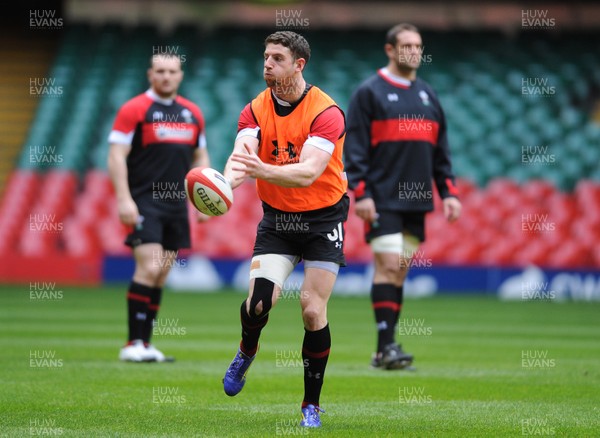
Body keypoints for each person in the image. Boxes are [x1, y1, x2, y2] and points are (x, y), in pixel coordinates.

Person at [221, 31, 348, 428]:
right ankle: (246, 351)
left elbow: (309, 172)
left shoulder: (326, 112)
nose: (267, 64)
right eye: (265, 56)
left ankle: (310, 404)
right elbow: (241, 159)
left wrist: (260, 169)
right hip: (278, 219)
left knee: (312, 310)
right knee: (258, 304)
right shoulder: (254, 109)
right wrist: (222, 187)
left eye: (277, 57)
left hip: (323, 219)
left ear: (299, 65)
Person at [344, 23, 461, 370]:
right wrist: (361, 193)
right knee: (389, 265)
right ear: (390, 50)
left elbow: (441, 150)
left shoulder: (428, 94)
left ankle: (384, 349)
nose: (414, 51)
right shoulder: (369, 92)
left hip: (417, 201)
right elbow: (355, 148)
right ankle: (386, 347)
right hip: (381, 198)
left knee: (399, 271)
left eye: (418, 45)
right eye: (407, 45)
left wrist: (449, 192)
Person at [107, 52, 210, 363]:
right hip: (144, 200)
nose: (166, 76)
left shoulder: (193, 113)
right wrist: (124, 199)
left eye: (172, 71)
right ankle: (132, 343)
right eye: (160, 71)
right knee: (149, 267)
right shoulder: (134, 109)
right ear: (150, 74)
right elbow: (116, 156)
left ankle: (146, 345)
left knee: (162, 274)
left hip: (176, 204)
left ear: (180, 76)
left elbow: (200, 158)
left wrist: (203, 199)